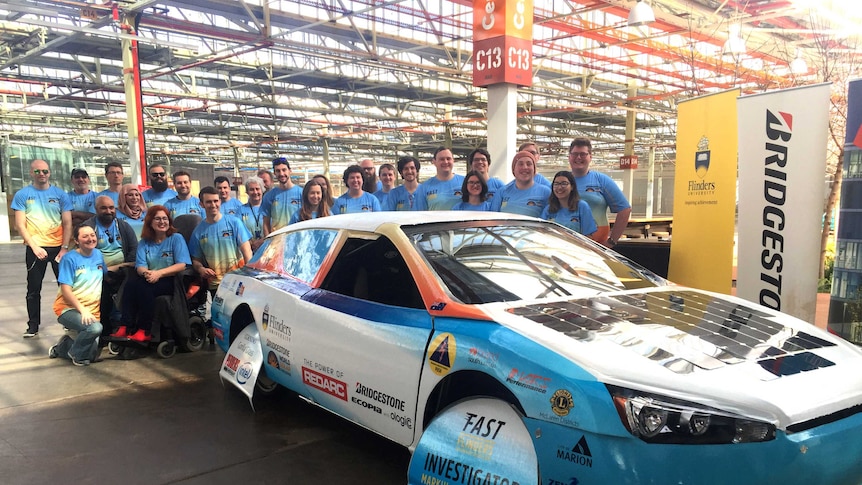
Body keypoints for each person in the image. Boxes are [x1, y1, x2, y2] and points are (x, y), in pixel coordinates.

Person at [12, 159, 73, 338]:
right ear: (31, 173)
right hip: (35, 249)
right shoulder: (23, 195)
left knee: (66, 286)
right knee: (33, 289)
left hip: (58, 249)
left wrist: (64, 248)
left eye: (45, 171)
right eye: (37, 171)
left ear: (49, 173)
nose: (42, 174)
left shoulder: (61, 195)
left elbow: (67, 223)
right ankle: (33, 326)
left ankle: (69, 321)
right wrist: (34, 246)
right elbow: (20, 225)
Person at [117, 206, 191, 341]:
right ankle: (125, 326)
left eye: (165, 218)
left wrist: (158, 274)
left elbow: (181, 265)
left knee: (144, 288)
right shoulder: (144, 242)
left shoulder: (176, 238)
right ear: (150, 222)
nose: (162, 222)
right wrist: (148, 273)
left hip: (171, 280)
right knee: (131, 285)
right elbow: (140, 266)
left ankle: (145, 330)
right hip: (149, 277)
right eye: (157, 219)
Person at [49, 225, 111, 366]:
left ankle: (62, 348)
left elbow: (105, 274)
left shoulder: (98, 254)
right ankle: (76, 354)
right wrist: (82, 310)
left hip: (93, 310)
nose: (90, 239)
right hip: (68, 309)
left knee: (92, 354)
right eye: (85, 236)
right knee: (95, 328)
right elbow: (65, 289)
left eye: (92, 235)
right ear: (76, 240)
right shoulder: (69, 259)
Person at [82, 195, 138, 332]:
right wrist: (105, 271)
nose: (108, 211)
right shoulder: (88, 228)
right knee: (102, 289)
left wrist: (124, 266)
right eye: (104, 208)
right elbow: (85, 255)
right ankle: (104, 328)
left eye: (111, 208)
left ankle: (127, 325)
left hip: (124, 269)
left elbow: (134, 249)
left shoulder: (123, 226)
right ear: (96, 209)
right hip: (97, 271)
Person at [568, 137, 632, 247]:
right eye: (575, 154)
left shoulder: (602, 181)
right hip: (567, 245)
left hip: (596, 247)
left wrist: (612, 241)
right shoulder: (561, 182)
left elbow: (625, 209)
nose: (578, 157)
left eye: (583, 154)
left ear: (590, 157)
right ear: (569, 157)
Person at [190, 187, 253, 296]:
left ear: (220, 201)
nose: (213, 205)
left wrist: (251, 276)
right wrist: (201, 269)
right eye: (209, 202)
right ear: (201, 204)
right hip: (216, 284)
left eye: (215, 201)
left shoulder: (234, 223)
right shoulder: (198, 232)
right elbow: (196, 261)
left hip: (239, 280)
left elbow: (247, 252)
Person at [490, 150, 551, 217]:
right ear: (513, 169)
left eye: (529, 164)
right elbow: (493, 219)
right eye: (520, 164)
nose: (525, 167)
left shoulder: (546, 192)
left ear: (534, 169)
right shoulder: (502, 192)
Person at [541, 171, 598, 237]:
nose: (559, 187)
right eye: (556, 184)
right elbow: (542, 233)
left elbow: (588, 236)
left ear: (572, 187)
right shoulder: (548, 209)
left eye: (564, 184)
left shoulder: (582, 206)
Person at [261, 157, 303, 235]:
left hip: (296, 239)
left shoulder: (301, 193)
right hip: (277, 241)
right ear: (274, 173)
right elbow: (266, 223)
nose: (281, 174)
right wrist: (268, 241)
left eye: (284, 170)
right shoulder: (269, 196)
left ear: (290, 171)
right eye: (278, 171)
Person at [239, 176, 266, 250]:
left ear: (262, 190)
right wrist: (250, 243)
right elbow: (239, 230)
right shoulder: (241, 210)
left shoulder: (269, 208)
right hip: (249, 249)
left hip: (267, 248)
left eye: (257, 189)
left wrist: (262, 241)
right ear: (247, 192)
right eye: (251, 189)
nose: (255, 192)